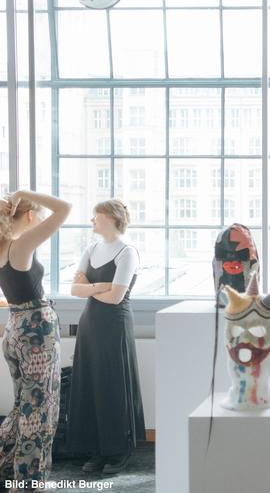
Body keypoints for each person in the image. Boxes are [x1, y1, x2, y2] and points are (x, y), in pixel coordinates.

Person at [0, 190, 71, 490]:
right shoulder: (19, 246)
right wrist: (23, 193)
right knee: (40, 410)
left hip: (15, 328)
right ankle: (28, 482)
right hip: (35, 333)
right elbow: (65, 208)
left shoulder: (3, 246)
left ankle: (9, 469)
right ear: (29, 215)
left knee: (23, 405)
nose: (41, 220)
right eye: (38, 214)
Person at [68, 199, 144, 475]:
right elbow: (74, 290)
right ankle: (97, 448)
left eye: (95, 217)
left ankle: (117, 449)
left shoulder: (127, 251)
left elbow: (115, 297)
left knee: (112, 384)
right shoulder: (91, 248)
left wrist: (90, 287)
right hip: (90, 323)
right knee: (91, 384)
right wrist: (100, 286)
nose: (91, 222)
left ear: (110, 219)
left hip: (114, 324)